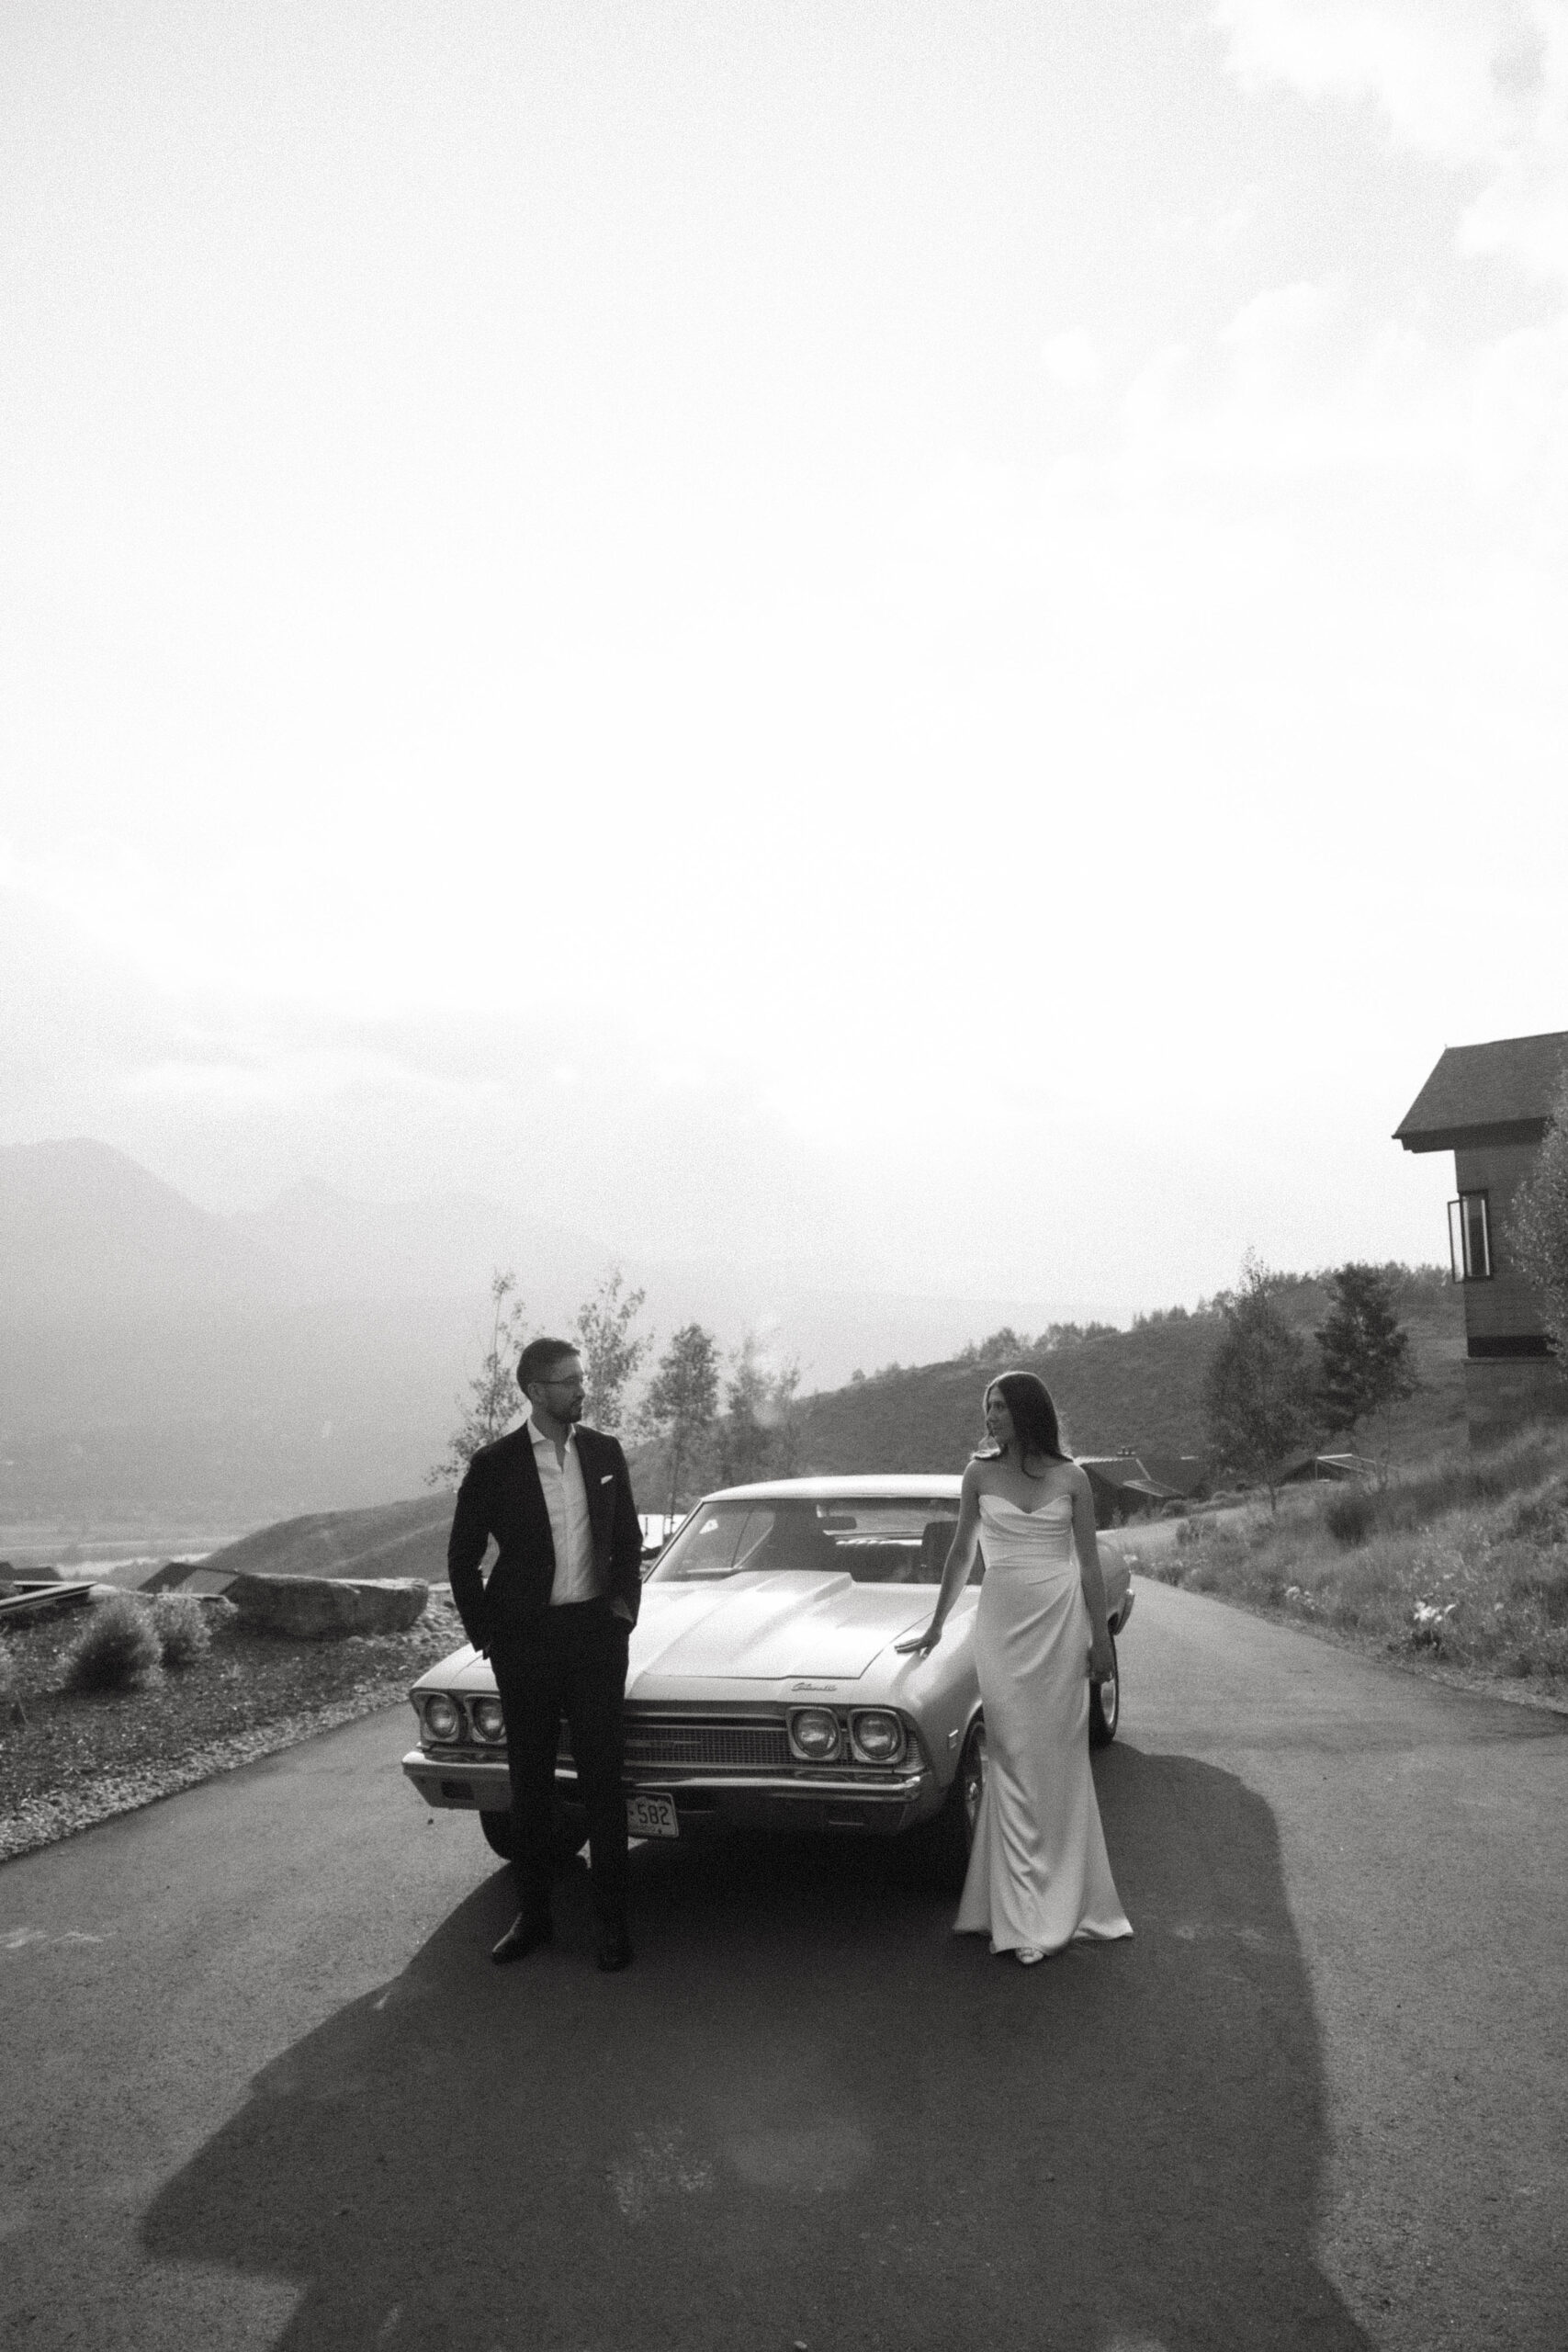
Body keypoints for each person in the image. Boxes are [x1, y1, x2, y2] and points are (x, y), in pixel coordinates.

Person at [896, 1371, 1132, 1963]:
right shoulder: (978, 1474)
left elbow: (1087, 1567)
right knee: (1013, 1759)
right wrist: (935, 1624)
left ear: (1027, 1412)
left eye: (1000, 1406)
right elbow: (960, 1555)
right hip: (1000, 1627)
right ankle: (1024, 1913)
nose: (991, 1415)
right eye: (988, 1406)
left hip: (1057, 1624)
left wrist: (1100, 1643)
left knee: (1057, 1761)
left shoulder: (1072, 1478)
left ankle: (1060, 1899)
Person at [447, 1337, 645, 1973]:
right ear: (536, 1391)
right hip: (525, 1644)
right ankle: (533, 1917)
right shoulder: (495, 1464)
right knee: (529, 1787)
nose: (582, 1389)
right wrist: (489, 1635)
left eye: (581, 1378)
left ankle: (612, 1923)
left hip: (594, 1639)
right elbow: (462, 1557)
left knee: (602, 1782)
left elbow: (627, 1543)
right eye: (569, 1381)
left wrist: (620, 1614)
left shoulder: (604, 1452)